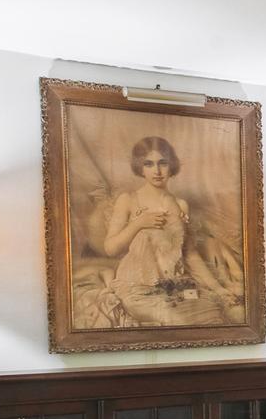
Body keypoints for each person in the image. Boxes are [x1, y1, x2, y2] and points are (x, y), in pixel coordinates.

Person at [97, 136, 242, 326]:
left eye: (162, 163)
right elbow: (110, 249)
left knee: (212, 315)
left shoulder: (181, 205)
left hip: (174, 285)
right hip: (136, 287)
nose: (156, 171)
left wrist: (218, 288)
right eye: (148, 164)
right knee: (175, 319)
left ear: (171, 165)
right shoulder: (128, 200)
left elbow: (190, 254)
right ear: (140, 168)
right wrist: (138, 223)